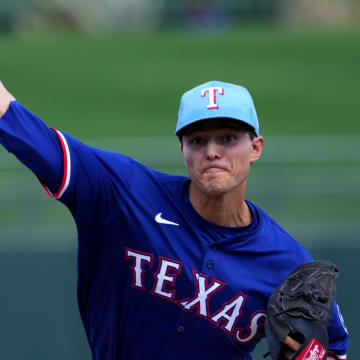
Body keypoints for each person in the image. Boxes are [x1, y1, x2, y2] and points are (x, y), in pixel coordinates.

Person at [0, 80, 348, 359]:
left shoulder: (288, 262)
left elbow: (333, 348)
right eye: (198, 140)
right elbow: (28, 134)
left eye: (228, 138)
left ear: (255, 148)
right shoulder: (125, 192)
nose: (212, 151)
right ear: (182, 149)